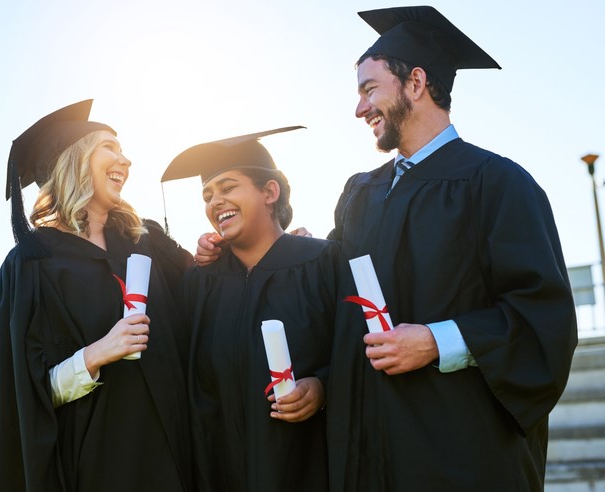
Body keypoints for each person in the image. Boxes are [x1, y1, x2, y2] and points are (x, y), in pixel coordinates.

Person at [197, 6, 578, 491]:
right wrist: (320, 381)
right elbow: (334, 311)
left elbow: (542, 319)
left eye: (369, 89)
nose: (359, 109)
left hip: (462, 452)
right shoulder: (360, 194)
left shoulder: (497, 184)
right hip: (370, 452)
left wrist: (437, 341)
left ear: (416, 83)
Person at [0, 100, 193, 491]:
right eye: (109, 147)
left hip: (174, 454)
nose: (124, 160)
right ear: (74, 161)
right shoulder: (32, 265)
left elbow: (205, 305)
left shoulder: (145, 241)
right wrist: (95, 354)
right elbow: (22, 399)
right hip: (95, 465)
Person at [162, 127, 339, 492]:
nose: (215, 202)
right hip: (222, 474)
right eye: (208, 195)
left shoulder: (324, 262)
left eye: (228, 188)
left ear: (269, 192)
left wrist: (323, 388)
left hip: (310, 468)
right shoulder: (200, 285)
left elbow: (359, 351)